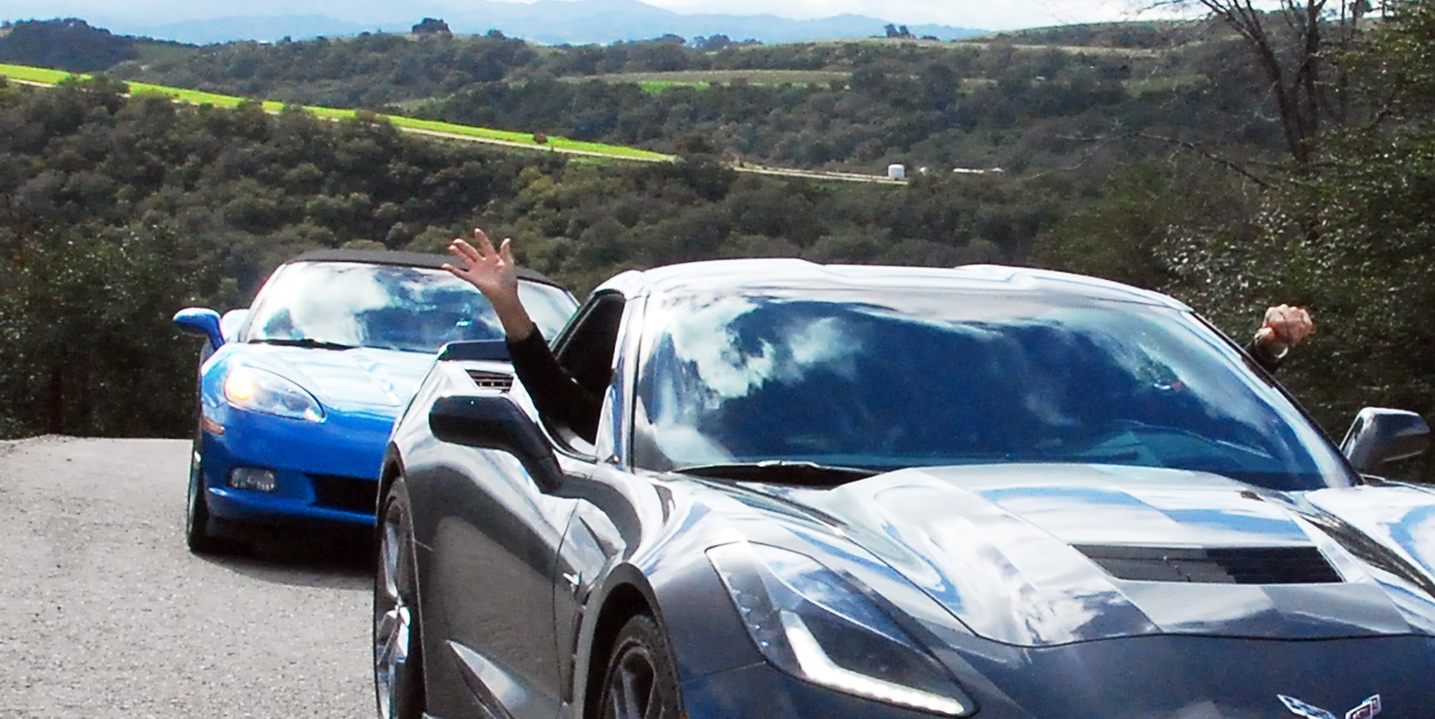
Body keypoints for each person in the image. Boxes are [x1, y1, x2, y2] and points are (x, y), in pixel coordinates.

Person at [442, 229, 1316, 440]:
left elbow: (1168, 406)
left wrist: (1261, 359)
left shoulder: (1047, 414)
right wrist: (513, 314)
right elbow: (563, 412)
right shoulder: (733, 409)